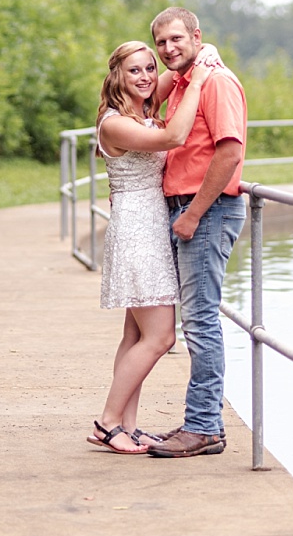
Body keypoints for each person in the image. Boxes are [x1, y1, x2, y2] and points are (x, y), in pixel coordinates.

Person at [87, 40, 219, 455]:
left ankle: (127, 425)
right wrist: (199, 79)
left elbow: (177, 68)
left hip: (149, 227)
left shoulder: (139, 108)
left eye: (149, 68)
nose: (145, 77)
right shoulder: (114, 124)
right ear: (117, 77)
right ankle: (107, 423)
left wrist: (203, 53)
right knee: (160, 337)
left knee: (135, 335)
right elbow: (175, 135)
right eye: (134, 71)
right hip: (138, 231)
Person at [144, 7, 248, 459]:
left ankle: (203, 426)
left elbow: (229, 154)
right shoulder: (187, 82)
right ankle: (204, 422)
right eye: (161, 42)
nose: (168, 49)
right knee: (196, 320)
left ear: (196, 37)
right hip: (186, 208)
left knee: (202, 321)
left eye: (176, 40)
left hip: (206, 211)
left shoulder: (217, 82)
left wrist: (192, 215)